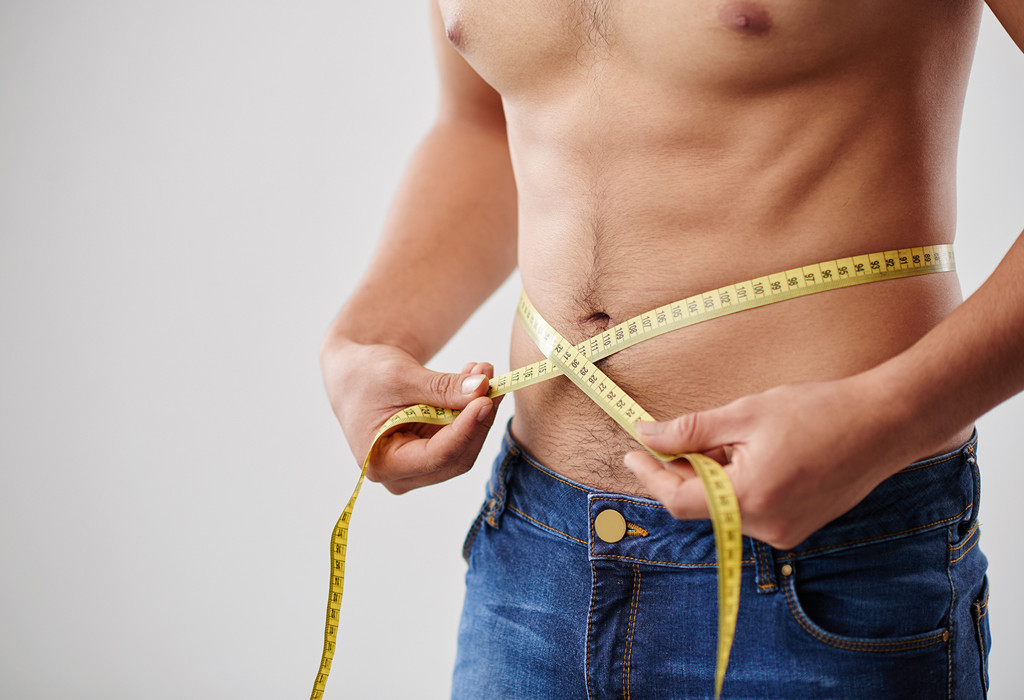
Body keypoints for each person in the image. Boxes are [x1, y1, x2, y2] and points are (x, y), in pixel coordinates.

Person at [320, 1, 1024, 697]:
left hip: (828, 565)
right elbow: (478, 122)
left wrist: (887, 417)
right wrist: (372, 335)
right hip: (533, 559)